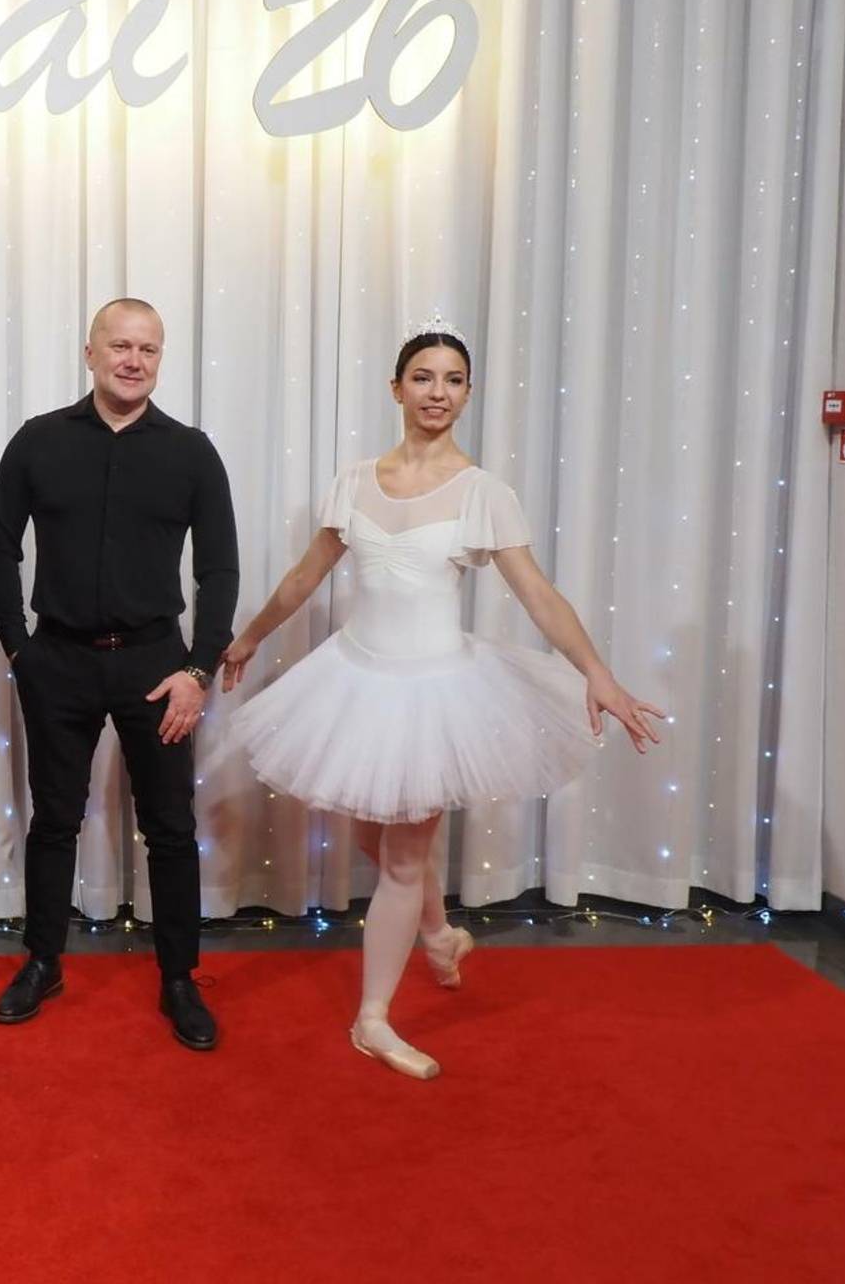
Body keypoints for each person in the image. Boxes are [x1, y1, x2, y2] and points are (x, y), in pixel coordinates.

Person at [219, 327, 665, 1079]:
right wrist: (250, 638)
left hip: (434, 696)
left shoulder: (483, 493)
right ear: (397, 389)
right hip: (356, 682)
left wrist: (597, 672)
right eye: (423, 377)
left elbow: (537, 594)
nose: (437, 392)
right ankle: (438, 934)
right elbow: (305, 576)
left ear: (467, 393)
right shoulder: (354, 481)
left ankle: (372, 1019)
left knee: (402, 858)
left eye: (453, 379)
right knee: (375, 841)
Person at [0, 298, 239, 1050]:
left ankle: (179, 977)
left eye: (148, 349)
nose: (134, 360)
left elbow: (219, 570)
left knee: (170, 826)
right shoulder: (38, 441)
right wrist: (19, 650)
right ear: (90, 353)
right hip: (57, 660)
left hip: (159, 666)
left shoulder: (192, 452)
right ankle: (42, 961)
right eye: (120, 346)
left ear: (161, 360)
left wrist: (198, 669)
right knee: (53, 819)